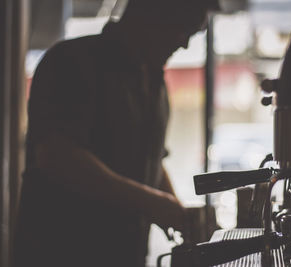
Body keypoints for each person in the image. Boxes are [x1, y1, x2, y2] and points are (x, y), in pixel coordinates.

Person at [14, 0, 219, 266]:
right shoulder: (71, 62)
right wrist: (155, 204)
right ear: (151, 12)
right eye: (184, 30)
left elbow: (152, 162)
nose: (185, 45)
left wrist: (178, 213)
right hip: (62, 252)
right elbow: (58, 157)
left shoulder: (155, 82)